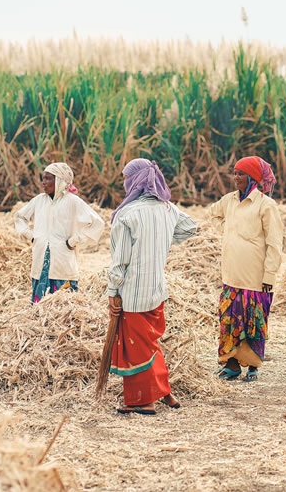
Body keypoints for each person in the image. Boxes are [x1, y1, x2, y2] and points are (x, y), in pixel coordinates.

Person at [106, 158, 197, 415]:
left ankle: (143, 400)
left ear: (134, 181)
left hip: (133, 293)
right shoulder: (168, 210)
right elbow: (191, 227)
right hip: (157, 290)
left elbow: (119, 261)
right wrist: (165, 239)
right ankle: (166, 393)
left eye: (126, 178)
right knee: (151, 342)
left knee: (139, 347)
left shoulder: (127, 214)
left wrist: (113, 292)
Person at [210, 155, 283, 382]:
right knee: (229, 321)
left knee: (253, 323)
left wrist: (269, 274)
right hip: (231, 275)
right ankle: (231, 366)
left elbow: (274, 244)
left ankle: (252, 366)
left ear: (252, 178)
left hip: (255, 279)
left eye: (240, 174)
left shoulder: (265, 205)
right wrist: (227, 229)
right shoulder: (229, 200)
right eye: (235, 173)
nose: (235, 178)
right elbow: (213, 213)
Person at [15, 162, 104, 303]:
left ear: (60, 181)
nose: (44, 182)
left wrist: (73, 241)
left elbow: (97, 223)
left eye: (48, 178)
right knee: (40, 311)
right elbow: (20, 217)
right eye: (43, 178)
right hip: (40, 260)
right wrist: (32, 236)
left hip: (63, 262)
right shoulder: (39, 201)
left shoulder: (73, 202)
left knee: (63, 309)